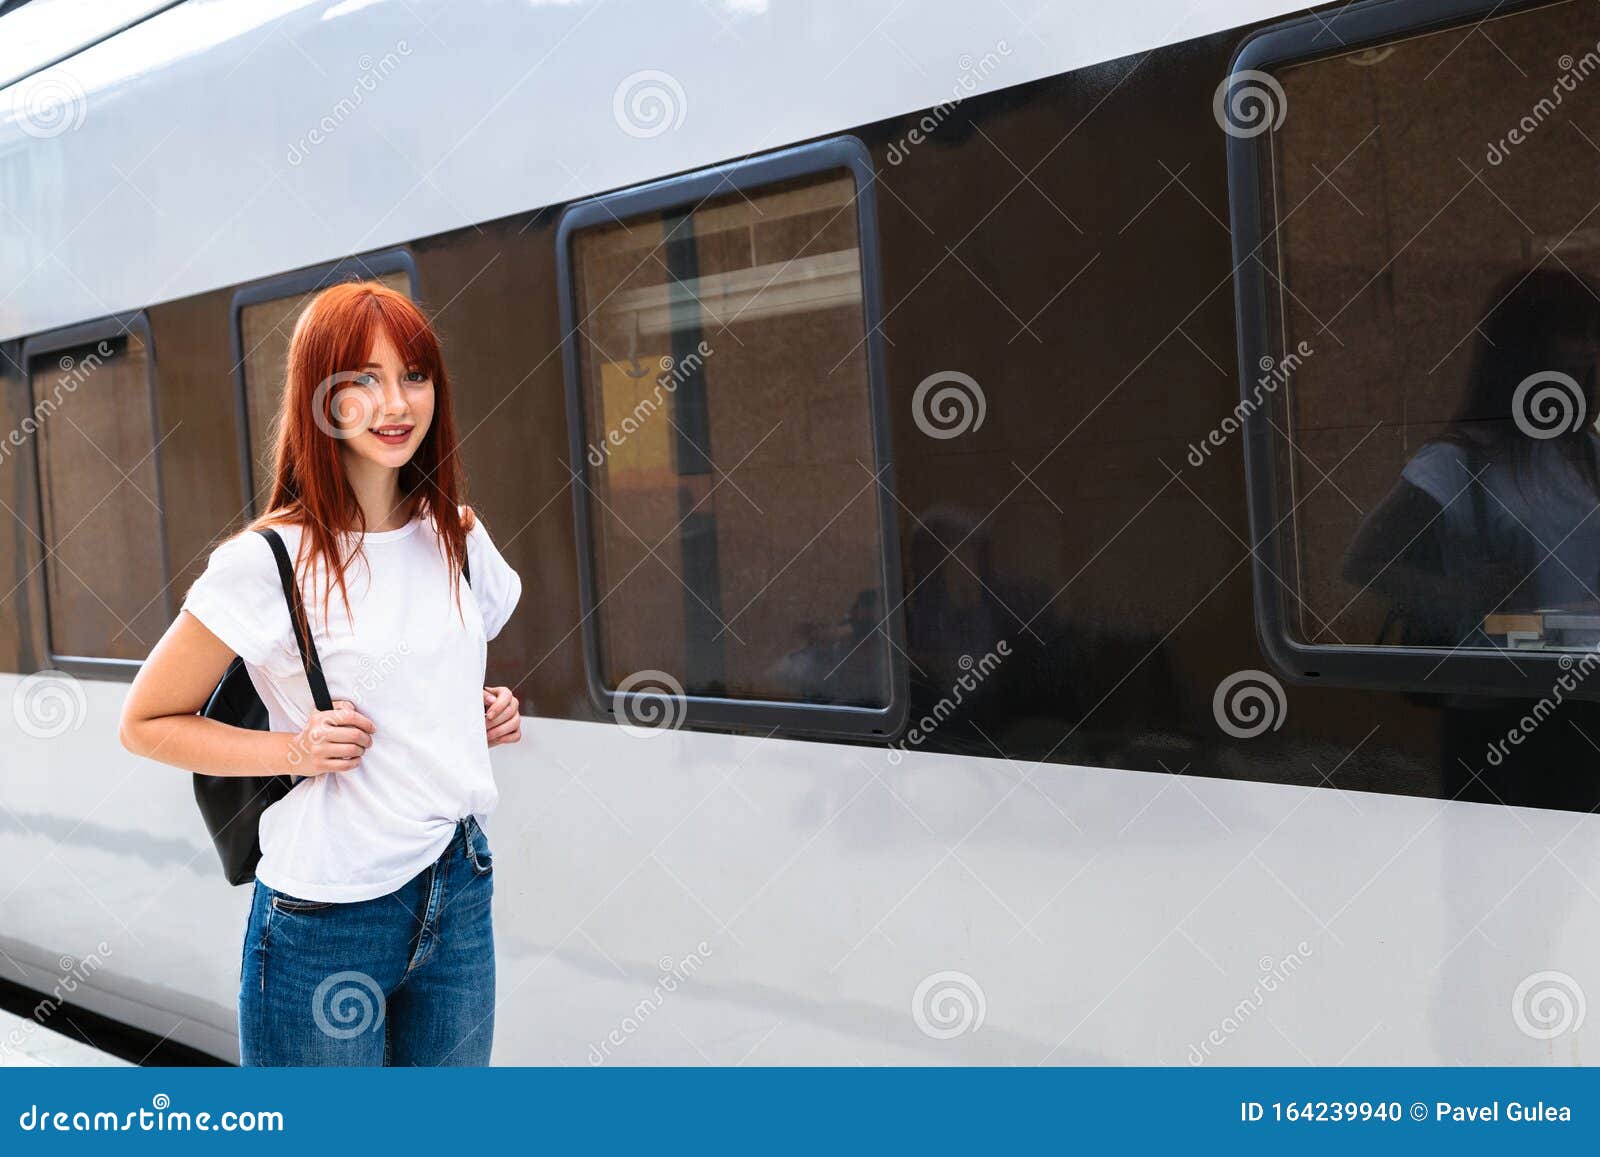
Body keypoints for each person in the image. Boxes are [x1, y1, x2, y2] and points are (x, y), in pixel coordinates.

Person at [119, 281, 524, 1066]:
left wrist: (480, 709)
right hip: (326, 917)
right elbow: (144, 722)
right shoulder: (267, 561)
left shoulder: (459, 535)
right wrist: (295, 751)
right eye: (362, 381)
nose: (395, 401)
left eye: (413, 374)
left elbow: (437, 669)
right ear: (319, 399)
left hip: (458, 888)